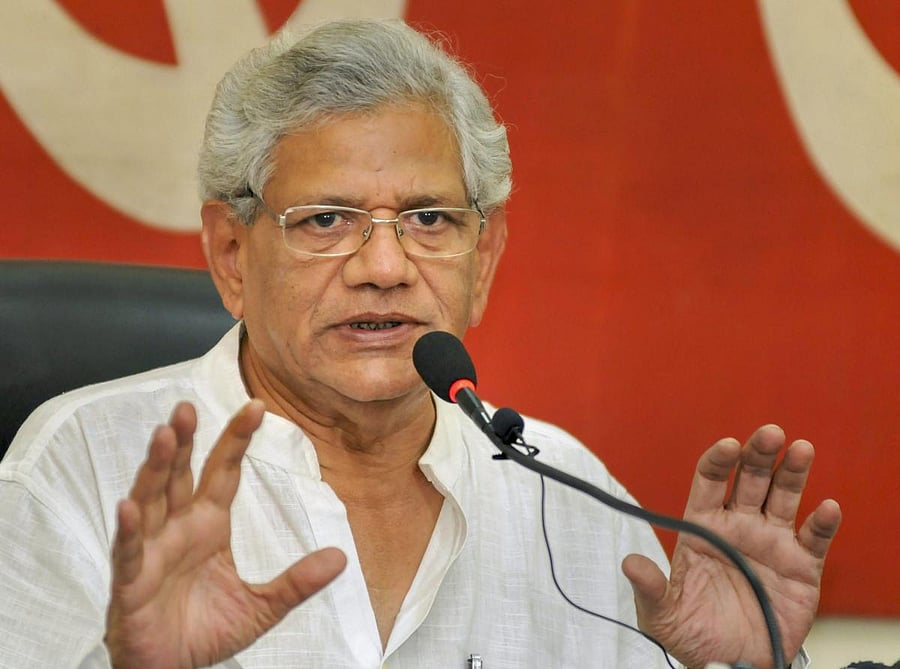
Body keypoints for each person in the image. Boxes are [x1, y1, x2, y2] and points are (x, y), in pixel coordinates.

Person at [0, 18, 841, 669]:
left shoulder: (566, 493)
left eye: (430, 218)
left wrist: (744, 663)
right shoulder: (82, 469)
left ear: (485, 257)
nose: (384, 267)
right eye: (326, 221)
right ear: (230, 253)